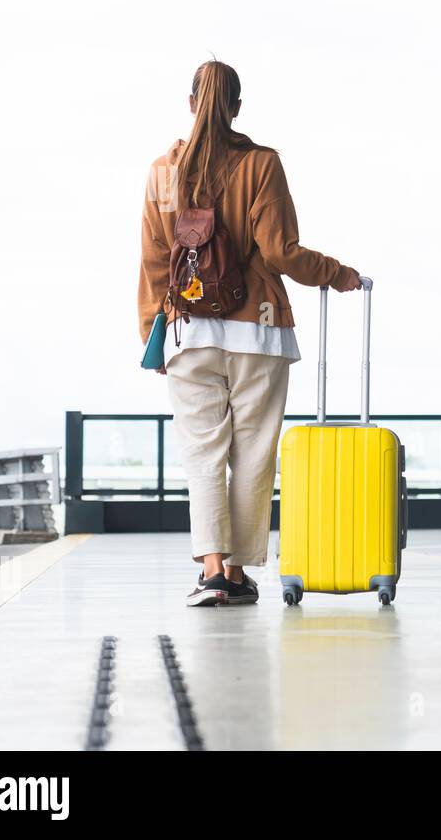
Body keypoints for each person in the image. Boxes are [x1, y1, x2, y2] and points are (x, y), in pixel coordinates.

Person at [137, 60, 361, 607]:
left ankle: (211, 571)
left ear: (191, 104)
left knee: (203, 455)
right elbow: (281, 252)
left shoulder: (162, 173)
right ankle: (237, 575)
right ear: (237, 107)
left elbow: (153, 261)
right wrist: (340, 273)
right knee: (254, 455)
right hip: (257, 331)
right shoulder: (261, 165)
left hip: (187, 332)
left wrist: (153, 334)